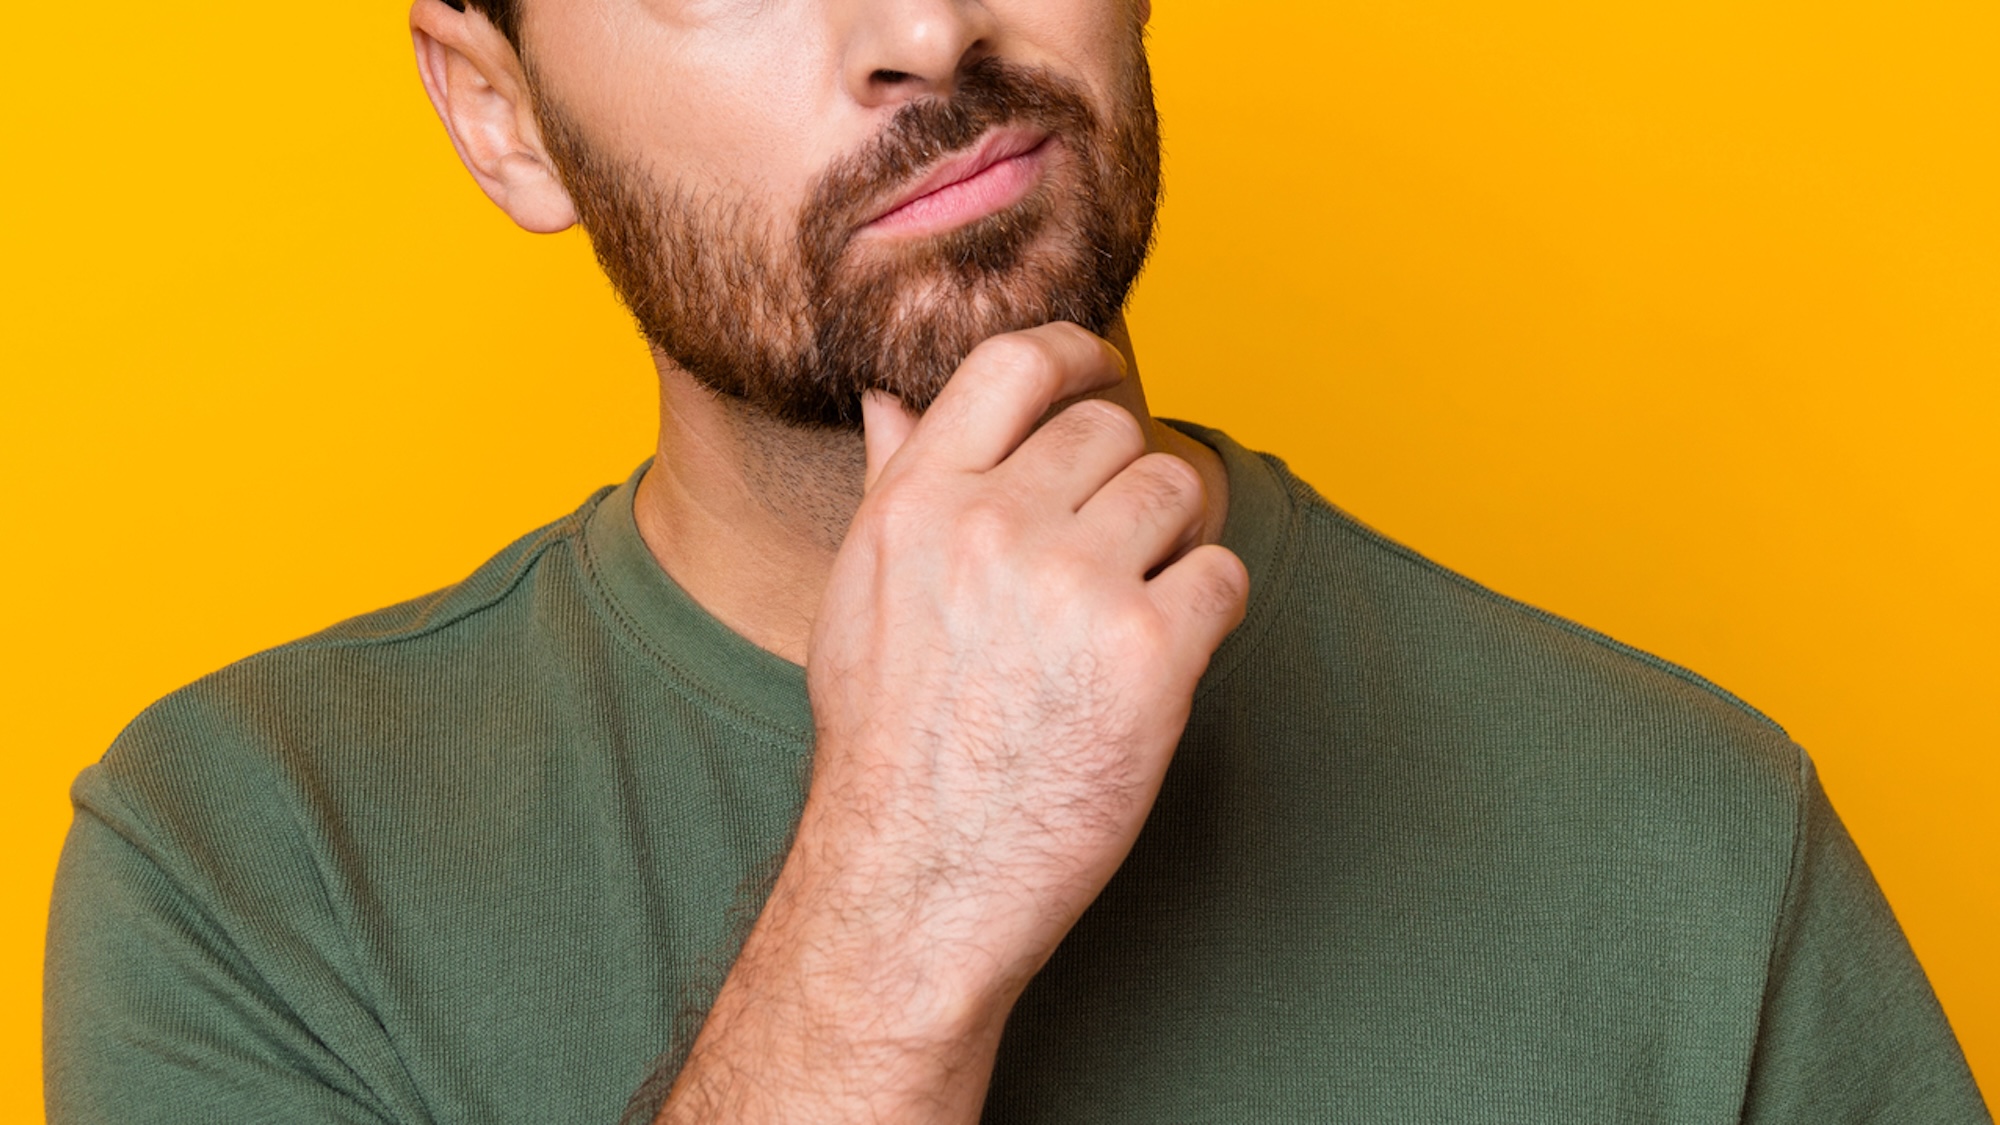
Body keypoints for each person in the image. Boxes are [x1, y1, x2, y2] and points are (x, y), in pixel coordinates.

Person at [43, 0, 1990, 1121]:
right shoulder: (240, 862)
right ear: (502, 111)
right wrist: (889, 914)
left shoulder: (1690, 839)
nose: (920, 28)